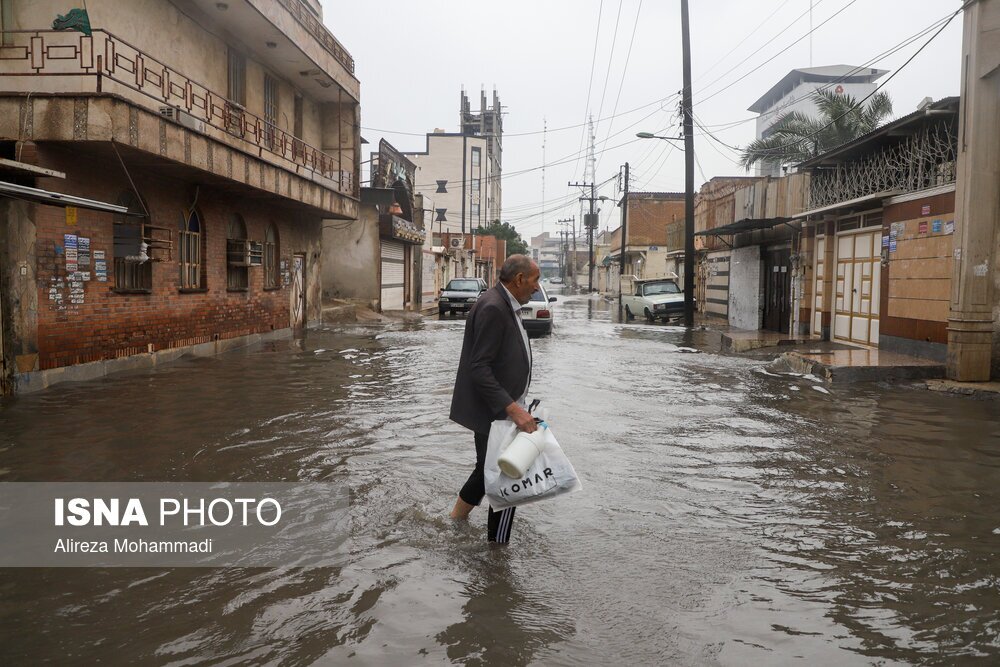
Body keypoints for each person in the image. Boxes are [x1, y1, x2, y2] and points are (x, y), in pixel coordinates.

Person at [449, 254, 541, 543]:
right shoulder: (493, 307)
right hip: (497, 413)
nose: (537, 287)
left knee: (485, 470)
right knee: (508, 477)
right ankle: (497, 554)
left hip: (500, 409)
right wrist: (514, 409)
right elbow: (479, 367)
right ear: (519, 279)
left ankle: (455, 522)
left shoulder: (504, 303)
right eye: (535, 280)